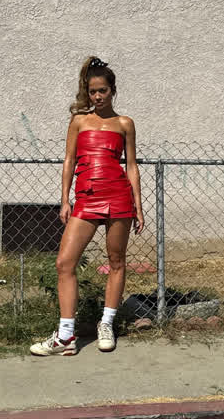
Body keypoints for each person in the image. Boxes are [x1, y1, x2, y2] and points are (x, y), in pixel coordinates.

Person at [30, 56, 144, 356]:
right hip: (86, 198)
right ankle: (66, 336)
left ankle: (106, 324)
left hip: (119, 196)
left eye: (103, 91)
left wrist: (139, 206)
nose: (98, 96)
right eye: (93, 91)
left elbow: (131, 166)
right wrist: (64, 199)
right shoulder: (79, 121)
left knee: (116, 262)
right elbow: (69, 161)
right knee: (64, 263)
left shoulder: (125, 124)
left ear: (112, 90)